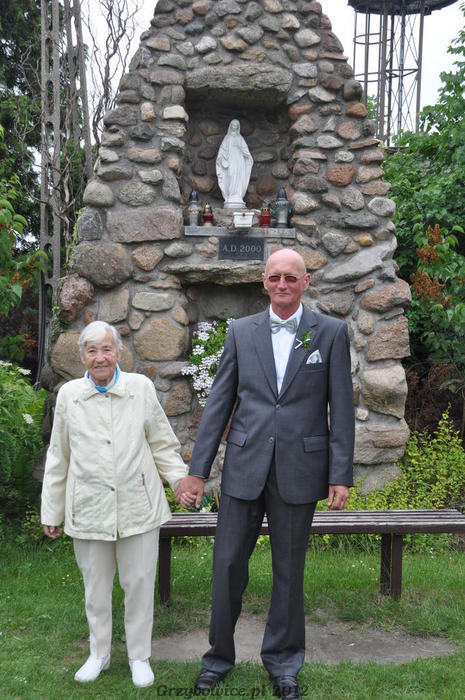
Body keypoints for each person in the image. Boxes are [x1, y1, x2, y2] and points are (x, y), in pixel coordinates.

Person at [178, 249, 355, 699]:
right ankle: (217, 659)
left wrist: (340, 474)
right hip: (244, 466)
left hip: (300, 469)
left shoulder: (330, 333)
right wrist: (198, 471)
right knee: (227, 566)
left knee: (289, 572)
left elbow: (341, 408)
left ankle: (284, 664)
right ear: (263, 281)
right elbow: (219, 403)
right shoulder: (241, 332)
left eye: (291, 277)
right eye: (275, 277)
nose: (282, 284)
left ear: (306, 282)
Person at [41, 321, 200, 688]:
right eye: (92, 351)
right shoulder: (69, 396)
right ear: (82, 356)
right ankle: (98, 654)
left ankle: (139, 656)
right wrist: (52, 510)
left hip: (138, 505)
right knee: (95, 589)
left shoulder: (139, 388)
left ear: (118, 353)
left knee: (139, 585)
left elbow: (162, 443)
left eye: (106, 349)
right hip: (89, 507)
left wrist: (178, 480)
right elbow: (58, 456)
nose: (100, 357)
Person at [216, 119, 253, 209]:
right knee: (231, 175)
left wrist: (247, 154)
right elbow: (222, 150)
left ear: (238, 127)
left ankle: (238, 196)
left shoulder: (240, 138)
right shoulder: (227, 138)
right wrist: (221, 158)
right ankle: (230, 195)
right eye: (233, 125)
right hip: (231, 160)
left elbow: (245, 150)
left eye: (236, 125)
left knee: (239, 177)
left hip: (239, 160)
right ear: (231, 126)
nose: (235, 126)